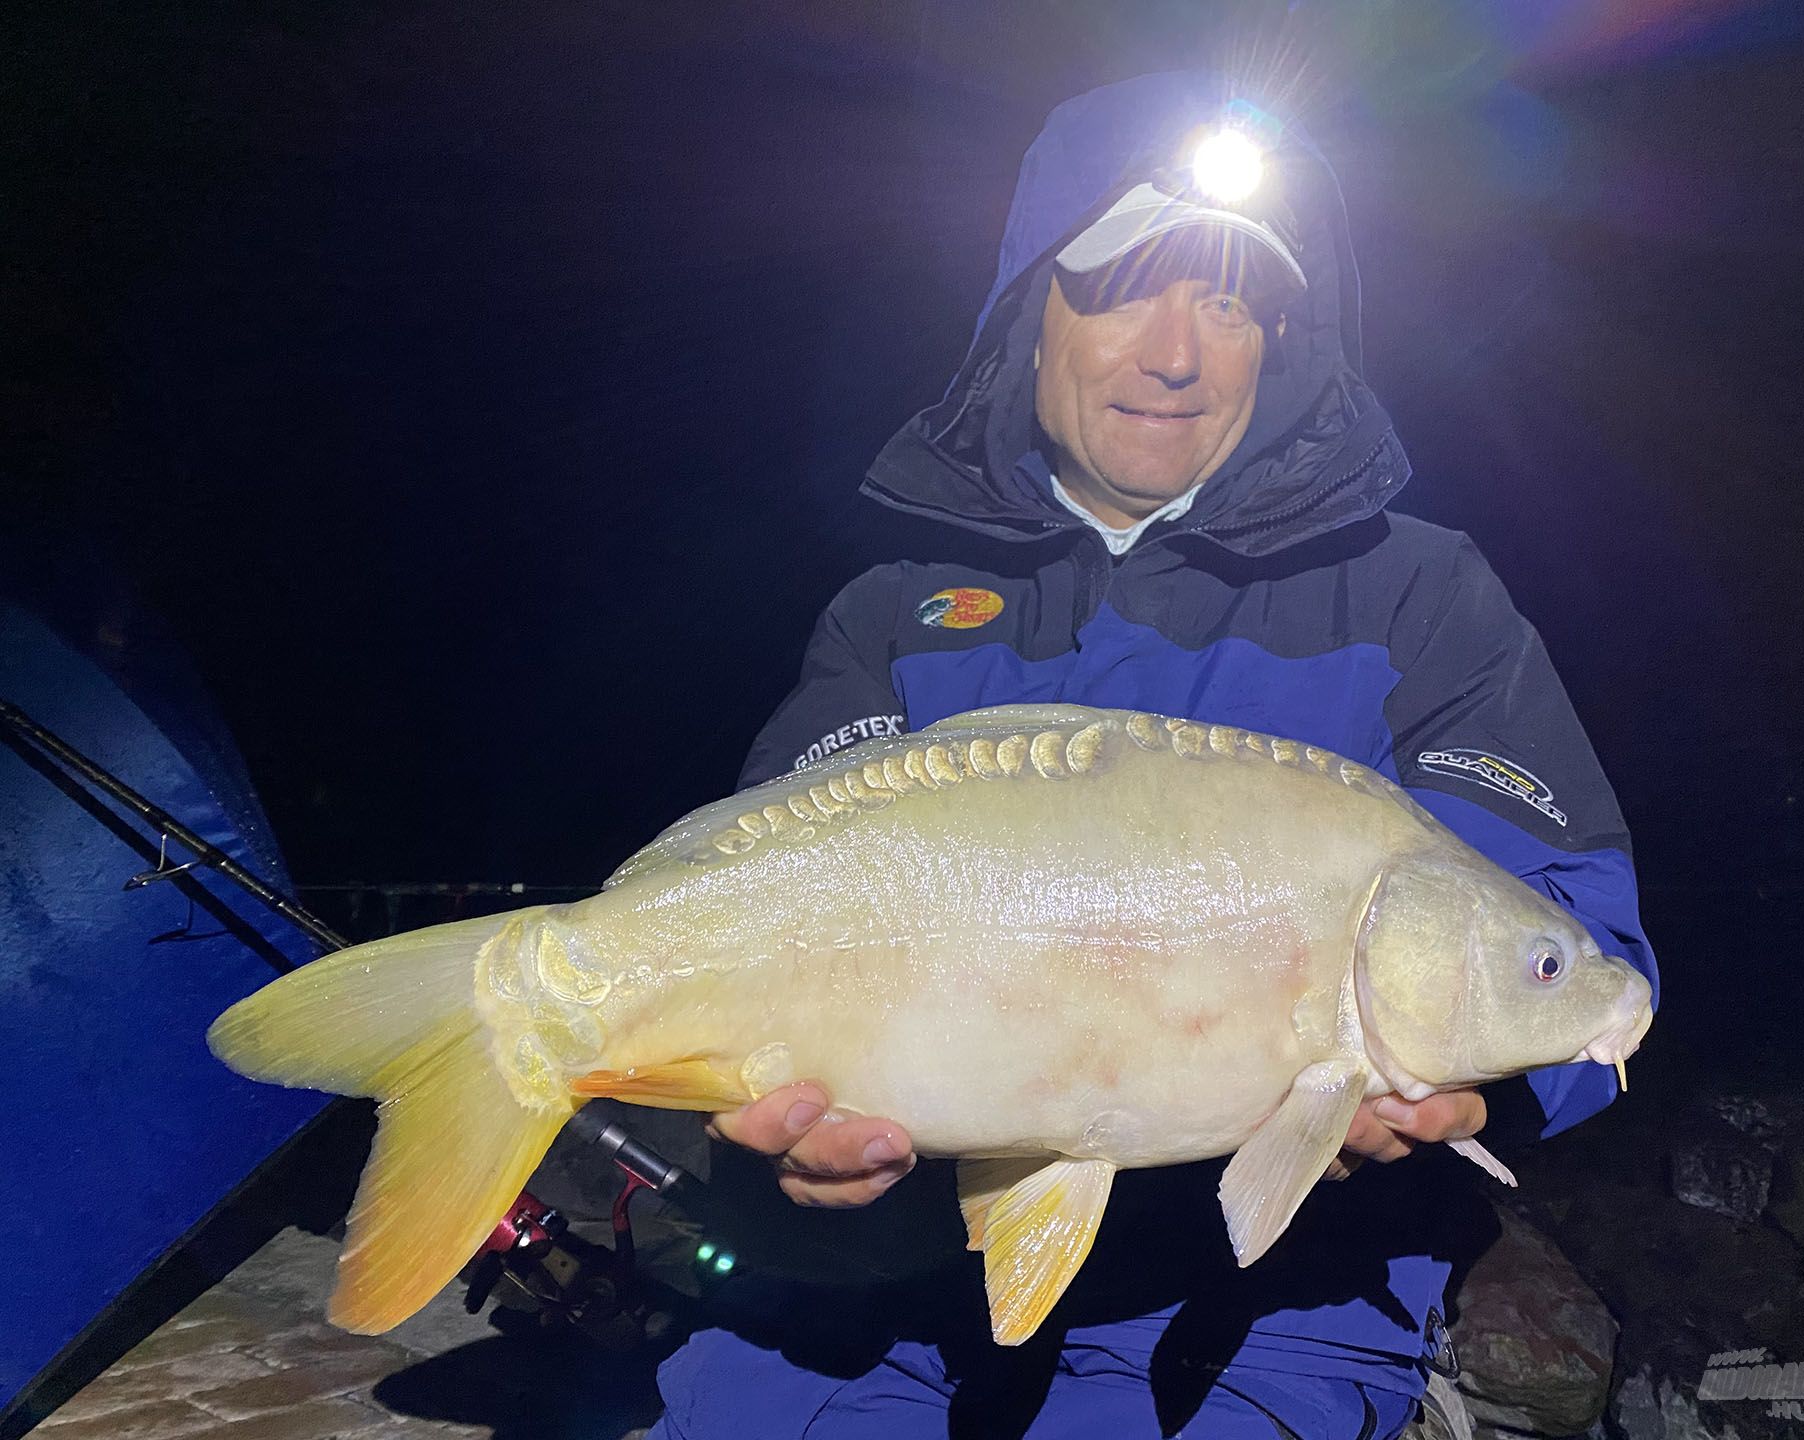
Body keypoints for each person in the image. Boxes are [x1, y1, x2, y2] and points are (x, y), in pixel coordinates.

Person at [653, 70, 1659, 1439]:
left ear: (1280, 339)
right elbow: (749, 926)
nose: (1177, 351)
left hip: (1269, 1308)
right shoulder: (896, 608)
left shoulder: (1419, 596)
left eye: (1231, 301)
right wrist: (769, 1148)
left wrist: (1508, 1077)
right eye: (1125, 283)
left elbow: (1571, 930)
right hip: (865, 1292)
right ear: (1032, 313)